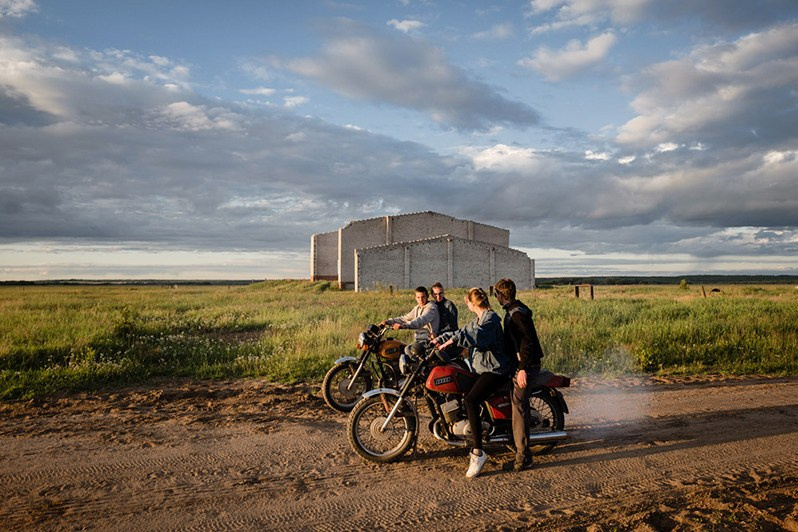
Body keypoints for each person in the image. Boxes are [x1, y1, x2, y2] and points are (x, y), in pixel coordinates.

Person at [434, 287, 511, 478]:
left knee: (470, 400)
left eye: (466, 301)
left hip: (495, 370)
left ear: (471, 302)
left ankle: (478, 452)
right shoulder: (478, 319)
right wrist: (438, 340)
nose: (466, 304)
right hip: (481, 369)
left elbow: (476, 335)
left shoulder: (491, 319)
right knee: (461, 389)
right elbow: (461, 331)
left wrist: (454, 341)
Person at [493, 278, 544, 472]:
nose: (496, 297)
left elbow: (527, 342)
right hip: (519, 364)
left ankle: (523, 456)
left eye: (496, 294)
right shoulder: (514, 310)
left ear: (501, 294)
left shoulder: (517, 314)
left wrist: (523, 368)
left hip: (527, 366)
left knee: (519, 405)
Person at [381, 286, 440, 356]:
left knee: (407, 350)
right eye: (418, 297)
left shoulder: (431, 308)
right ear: (415, 298)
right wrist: (388, 321)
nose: (421, 300)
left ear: (427, 296)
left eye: (423, 297)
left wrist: (403, 326)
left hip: (428, 340)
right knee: (398, 348)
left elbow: (420, 320)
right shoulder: (417, 308)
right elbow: (404, 318)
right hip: (419, 339)